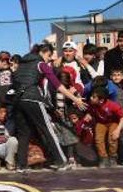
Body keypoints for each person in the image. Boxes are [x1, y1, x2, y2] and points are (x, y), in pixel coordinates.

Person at [12, 43, 87, 172]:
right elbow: (58, 85)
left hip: (18, 100)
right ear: (44, 53)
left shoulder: (21, 65)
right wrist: (75, 99)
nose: (49, 59)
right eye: (49, 56)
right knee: (48, 130)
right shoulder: (41, 64)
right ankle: (61, 161)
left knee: (24, 133)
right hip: (33, 98)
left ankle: (21, 165)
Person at [86, 87, 123, 168]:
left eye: (93, 97)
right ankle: (103, 157)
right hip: (101, 123)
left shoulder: (112, 105)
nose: (91, 98)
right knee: (98, 139)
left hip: (113, 122)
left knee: (112, 138)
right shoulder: (92, 104)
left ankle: (113, 157)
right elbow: (90, 112)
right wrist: (88, 115)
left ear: (101, 100)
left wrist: (118, 130)